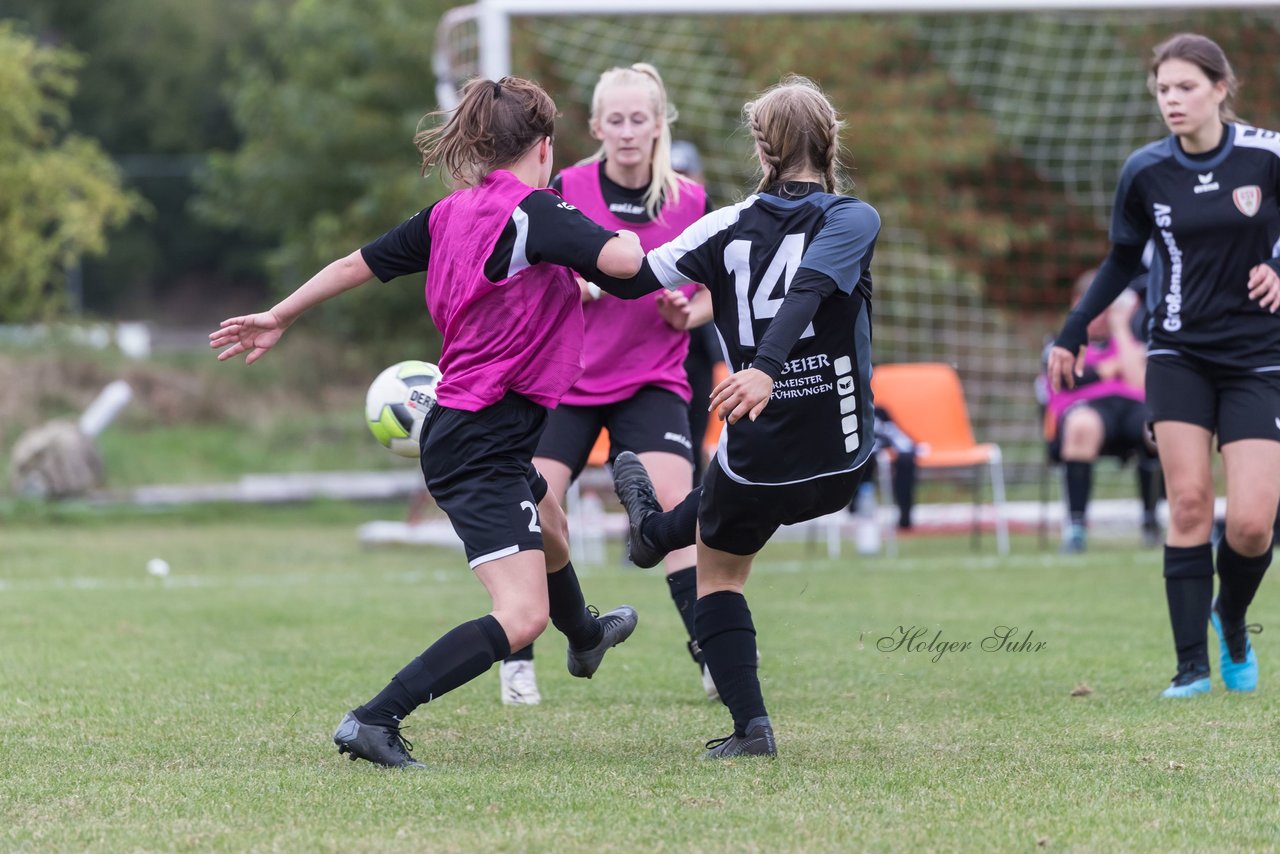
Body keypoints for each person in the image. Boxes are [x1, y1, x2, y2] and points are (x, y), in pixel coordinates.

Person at [211, 76, 644, 767]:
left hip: (481, 429)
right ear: (544, 146)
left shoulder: (453, 214)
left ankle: (586, 633)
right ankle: (374, 720)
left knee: (554, 522)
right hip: (480, 439)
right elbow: (624, 259)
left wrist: (281, 313)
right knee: (521, 615)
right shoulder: (536, 211)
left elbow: (358, 263)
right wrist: (612, 239)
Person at [591, 75, 881, 757]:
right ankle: (655, 532)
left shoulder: (722, 225)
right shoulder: (854, 217)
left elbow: (632, 275)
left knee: (717, 577)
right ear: (831, 137)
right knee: (721, 549)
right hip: (842, 457)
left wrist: (555, 235)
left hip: (758, 459)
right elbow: (813, 284)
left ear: (761, 146)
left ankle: (752, 729)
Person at [1048, 33, 1278, 699]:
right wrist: (1072, 330)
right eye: (1163, 89)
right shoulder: (1146, 171)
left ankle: (1230, 619)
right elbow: (1123, 258)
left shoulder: (1267, 156)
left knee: (1253, 522)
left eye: (1185, 87)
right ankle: (1191, 668)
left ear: (1220, 89)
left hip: (1260, 356)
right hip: (1177, 352)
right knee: (1187, 503)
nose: (1172, 100)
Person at [497, 64, 717, 706]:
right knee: (536, 511)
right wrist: (577, 282)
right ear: (595, 126)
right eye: (614, 120)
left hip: (652, 379)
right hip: (564, 380)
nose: (627, 132)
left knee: (678, 509)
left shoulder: (692, 200)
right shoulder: (565, 186)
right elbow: (528, 274)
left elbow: (715, 294)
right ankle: (519, 657)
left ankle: (709, 649)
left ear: (660, 123)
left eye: (639, 119)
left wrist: (690, 311)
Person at [1045, 269, 1159, 553]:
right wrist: (1106, 370)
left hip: (1131, 409)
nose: (1099, 317)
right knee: (1084, 425)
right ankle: (1076, 526)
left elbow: (1139, 381)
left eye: (1106, 309)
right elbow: (1067, 379)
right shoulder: (1062, 343)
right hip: (1084, 413)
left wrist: (1121, 328)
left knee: (1157, 429)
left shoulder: (1130, 340)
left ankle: (1151, 520)